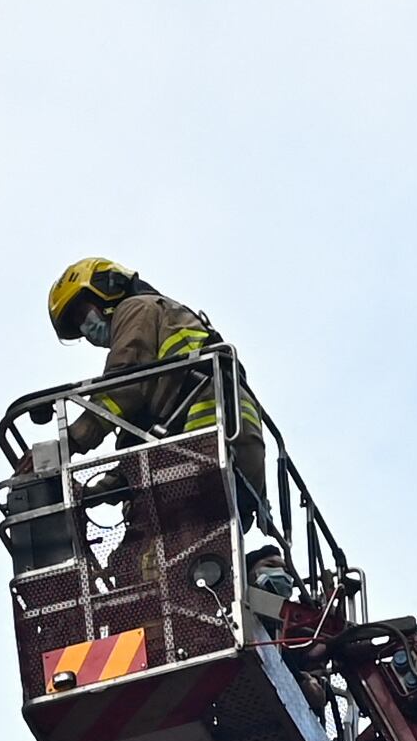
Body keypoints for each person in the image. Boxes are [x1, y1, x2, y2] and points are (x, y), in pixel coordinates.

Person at [45, 258, 267, 624]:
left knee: (141, 564)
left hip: (203, 449)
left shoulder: (137, 308)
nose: (87, 328)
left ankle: (160, 625)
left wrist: (65, 445)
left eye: (84, 313)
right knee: (178, 559)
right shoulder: (164, 367)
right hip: (227, 458)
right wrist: (98, 491)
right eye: (78, 326)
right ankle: (226, 606)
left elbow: (123, 387)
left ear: (107, 288)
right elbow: (141, 449)